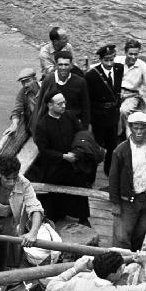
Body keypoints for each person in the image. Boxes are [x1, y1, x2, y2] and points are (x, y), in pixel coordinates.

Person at [109, 111, 146, 251]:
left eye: (142, 128)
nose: (139, 132)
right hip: (128, 201)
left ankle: (136, 259)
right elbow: (113, 178)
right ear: (130, 128)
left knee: (141, 232)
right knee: (122, 236)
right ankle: (121, 261)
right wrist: (115, 203)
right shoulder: (121, 151)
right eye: (135, 128)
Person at [34, 89, 90, 225]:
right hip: (55, 165)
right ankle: (57, 215)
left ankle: (83, 217)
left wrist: (77, 152)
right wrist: (63, 156)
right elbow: (44, 150)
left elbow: (80, 134)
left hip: (73, 161)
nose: (64, 106)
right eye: (60, 104)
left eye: (64, 102)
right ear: (50, 105)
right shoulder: (42, 126)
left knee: (81, 184)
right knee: (54, 191)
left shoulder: (69, 116)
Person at [85, 44, 124, 175]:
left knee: (112, 146)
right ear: (101, 60)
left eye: (112, 59)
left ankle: (108, 172)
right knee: (96, 147)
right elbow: (88, 100)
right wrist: (89, 120)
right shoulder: (91, 75)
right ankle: (90, 176)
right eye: (106, 60)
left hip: (113, 115)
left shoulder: (119, 69)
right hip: (98, 117)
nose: (109, 63)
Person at [34, 51, 90, 131]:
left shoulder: (80, 82)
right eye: (60, 64)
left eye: (66, 65)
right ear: (56, 65)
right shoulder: (49, 80)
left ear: (71, 65)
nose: (63, 68)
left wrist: (84, 130)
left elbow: (85, 107)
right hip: (53, 127)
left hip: (74, 127)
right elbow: (42, 105)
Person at [114, 38, 146, 137]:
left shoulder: (142, 66)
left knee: (122, 111)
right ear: (125, 52)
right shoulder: (117, 60)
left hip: (132, 95)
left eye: (136, 54)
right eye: (130, 54)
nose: (133, 57)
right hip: (115, 92)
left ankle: (121, 133)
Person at [4, 67, 40, 136]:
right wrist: (14, 125)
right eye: (23, 82)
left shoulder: (45, 87)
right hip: (36, 127)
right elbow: (16, 111)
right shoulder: (22, 93)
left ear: (35, 79)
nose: (26, 85)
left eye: (28, 81)